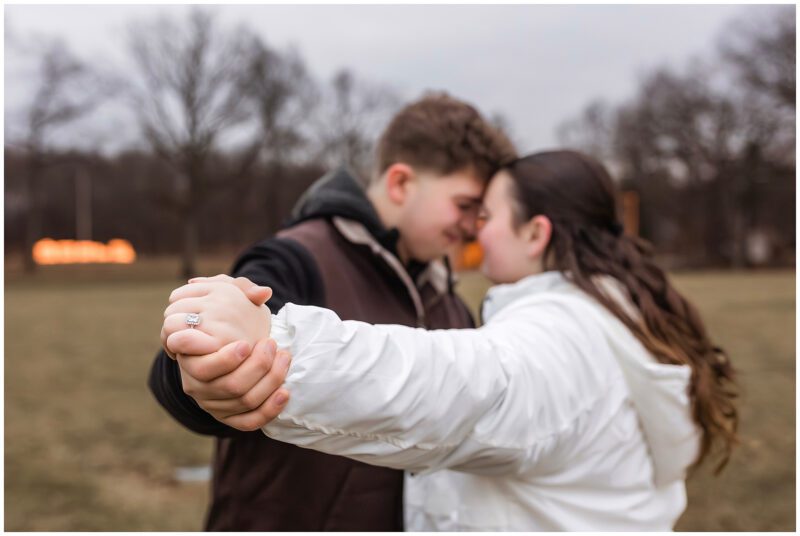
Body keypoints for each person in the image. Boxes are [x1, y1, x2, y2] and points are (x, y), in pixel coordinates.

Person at [162, 150, 739, 531]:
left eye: (486, 216)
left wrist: (276, 342)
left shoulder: (564, 335)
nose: (473, 231)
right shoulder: (612, 316)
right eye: (469, 210)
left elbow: (459, 385)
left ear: (536, 233)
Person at [148, 92, 517, 530]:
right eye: (465, 205)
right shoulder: (297, 258)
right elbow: (197, 361)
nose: (472, 227)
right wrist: (202, 369)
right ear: (401, 183)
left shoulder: (451, 303)